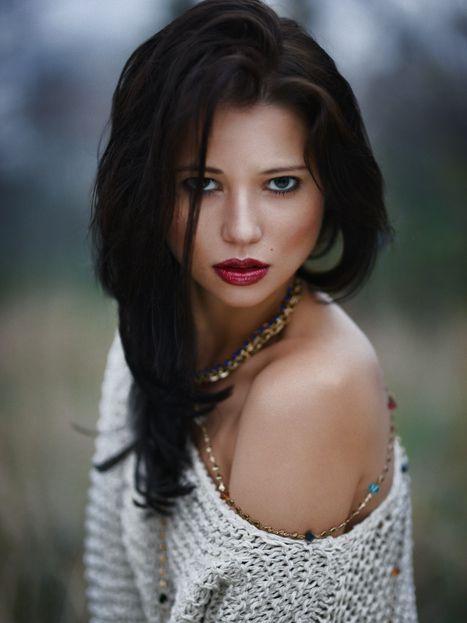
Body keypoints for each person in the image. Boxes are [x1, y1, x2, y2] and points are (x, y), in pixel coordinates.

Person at [83, 0, 419, 620]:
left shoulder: (308, 393)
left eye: (281, 183)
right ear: (148, 190)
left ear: (330, 190)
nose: (241, 230)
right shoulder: (154, 328)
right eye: (202, 184)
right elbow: (115, 597)